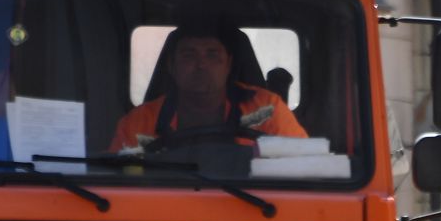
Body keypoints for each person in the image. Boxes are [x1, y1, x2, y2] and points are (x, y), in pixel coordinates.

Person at [107, 22, 309, 154]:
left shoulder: (268, 110)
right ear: (171, 66)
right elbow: (118, 182)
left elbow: (302, 169)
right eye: (189, 55)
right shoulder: (138, 123)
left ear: (228, 65)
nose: (201, 64)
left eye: (212, 55)